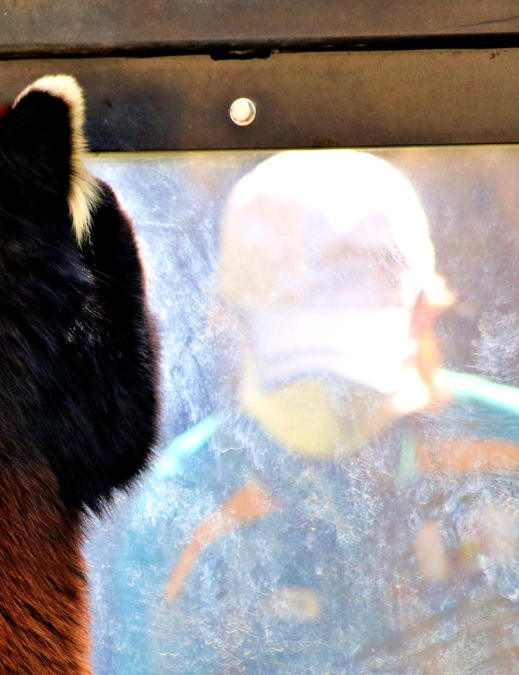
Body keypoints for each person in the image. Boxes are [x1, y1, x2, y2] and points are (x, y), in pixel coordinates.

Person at [92, 150, 519, 674]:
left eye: (352, 383)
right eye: (299, 376)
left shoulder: (508, 448)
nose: (331, 421)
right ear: (229, 327)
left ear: (423, 318)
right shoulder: (185, 503)